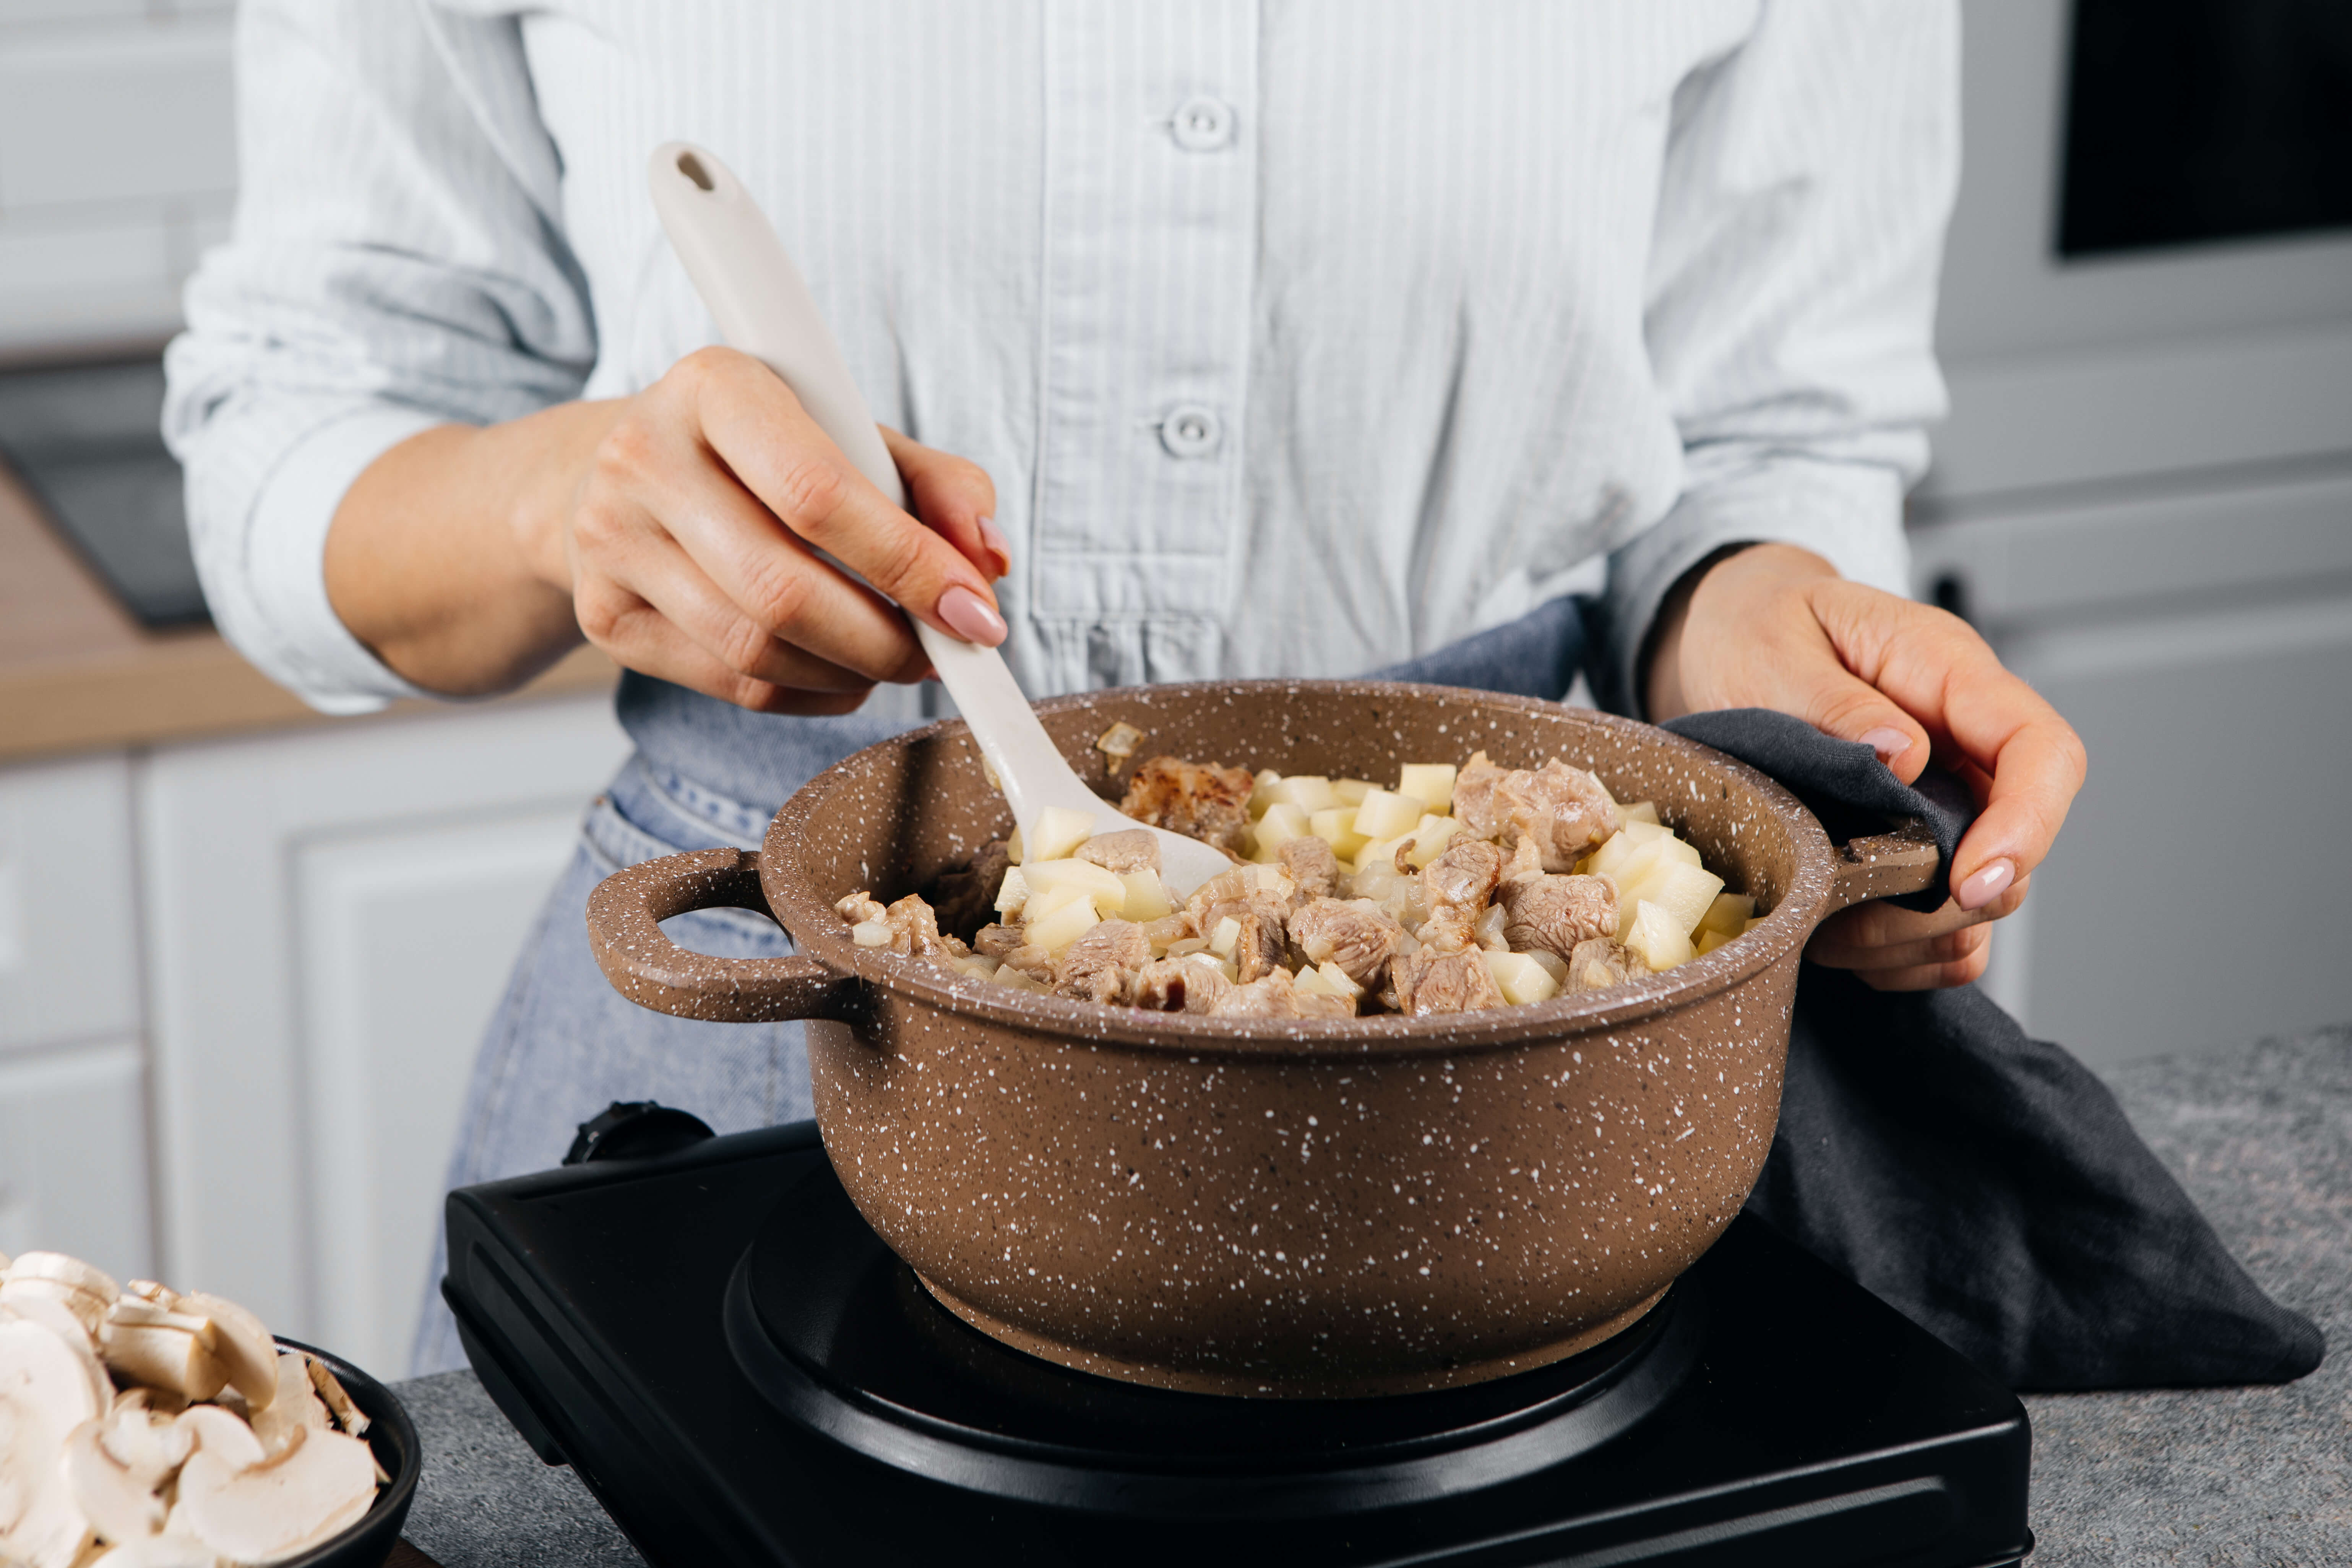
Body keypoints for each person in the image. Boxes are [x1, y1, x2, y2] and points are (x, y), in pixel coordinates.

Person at [162, 2, 2082, 1376]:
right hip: (783, 969)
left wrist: (1747, 611)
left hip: (1531, 1067)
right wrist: (561, 494)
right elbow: (295, 431)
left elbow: (1767, 423)